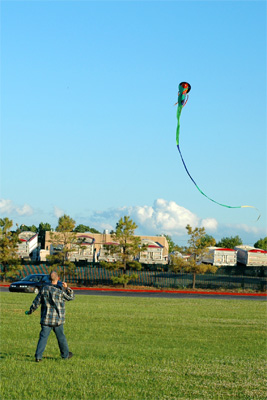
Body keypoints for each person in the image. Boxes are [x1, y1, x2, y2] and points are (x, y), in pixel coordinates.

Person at [25, 271, 74, 362]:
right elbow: (70, 297)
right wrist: (67, 288)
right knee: (61, 338)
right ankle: (65, 355)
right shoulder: (60, 291)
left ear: (48, 278)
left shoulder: (44, 289)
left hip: (46, 319)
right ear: (58, 278)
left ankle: (38, 357)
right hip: (57, 319)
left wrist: (30, 311)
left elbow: (36, 302)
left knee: (43, 338)